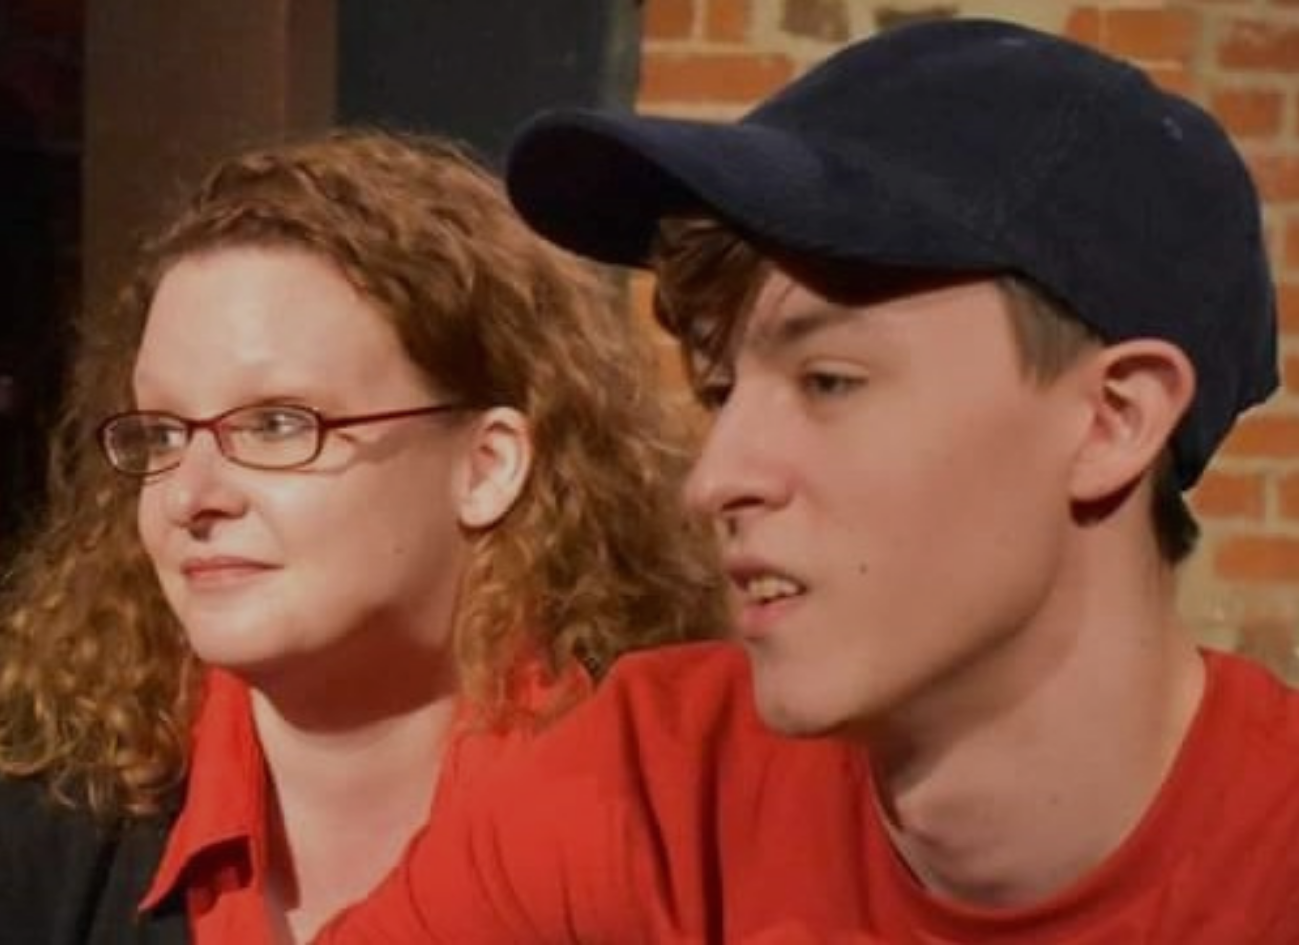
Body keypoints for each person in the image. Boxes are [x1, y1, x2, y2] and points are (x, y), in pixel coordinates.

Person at [315, 18, 1299, 944]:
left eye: (830, 382)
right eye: (722, 393)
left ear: (1113, 419)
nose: (715, 480)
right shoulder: (658, 789)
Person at [0, 129, 724, 944]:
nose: (191, 495)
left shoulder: (666, 813)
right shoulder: (45, 826)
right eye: (163, 433)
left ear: (487, 464)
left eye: (278, 424)